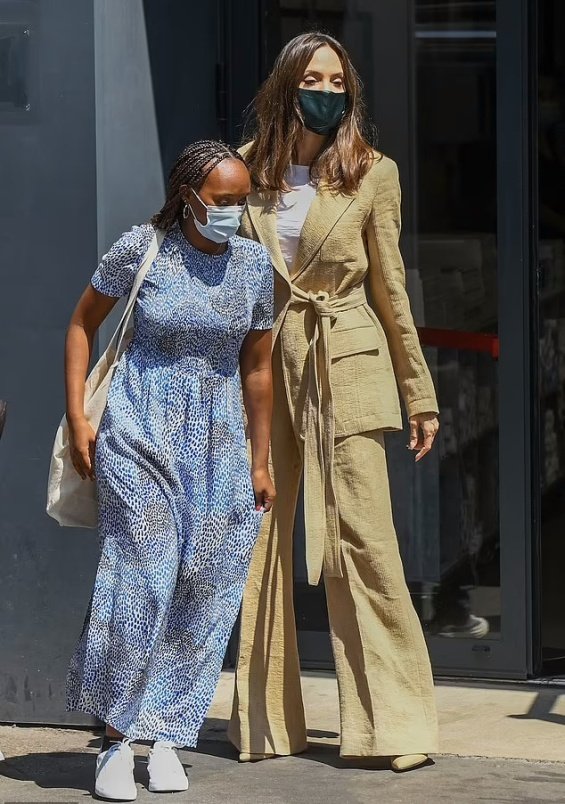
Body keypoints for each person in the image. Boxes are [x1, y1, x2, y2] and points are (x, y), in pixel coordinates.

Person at [228, 33, 440, 772]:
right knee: (258, 543)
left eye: (337, 80)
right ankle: (262, 726)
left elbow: (392, 288)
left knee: (364, 541)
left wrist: (417, 391)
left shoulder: (371, 174)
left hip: (344, 359)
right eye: (313, 77)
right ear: (285, 86)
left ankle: (394, 727)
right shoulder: (247, 169)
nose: (326, 90)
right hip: (262, 368)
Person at [65, 140, 275, 800]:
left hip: (219, 443)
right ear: (186, 197)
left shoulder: (254, 266)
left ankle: (164, 735)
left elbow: (259, 367)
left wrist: (260, 459)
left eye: (243, 201)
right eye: (221, 201)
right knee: (144, 577)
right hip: (139, 427)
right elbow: (81, 325)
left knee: (207, 587)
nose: (234, 212)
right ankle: (115, 741)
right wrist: (79, 419)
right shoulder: (142, 248)